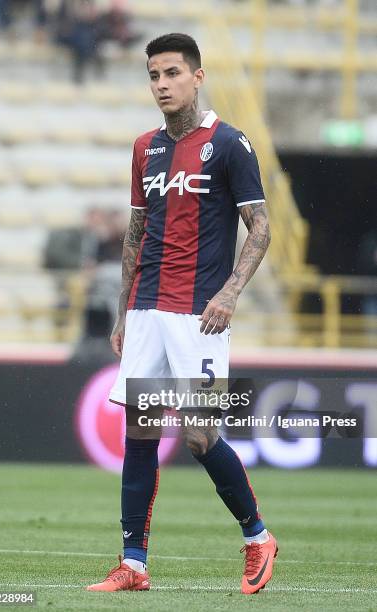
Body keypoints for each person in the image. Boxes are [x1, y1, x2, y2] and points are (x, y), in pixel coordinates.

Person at [86, 33, 276, 596]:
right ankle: (133, 564)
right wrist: (123, 314)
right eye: (153, 76)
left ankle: (257, 536)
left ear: (197, 76)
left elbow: (261, 228)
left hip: (199, 315)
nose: (162, 84)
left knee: (197, 436)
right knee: (141, 433)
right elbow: (136, 235)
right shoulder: (146, 147)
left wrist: (230, 293)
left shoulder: (231, 145)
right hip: (147, 310)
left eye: (172, 73)